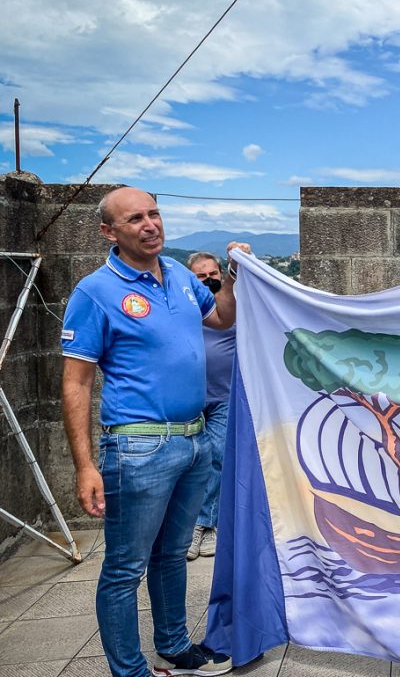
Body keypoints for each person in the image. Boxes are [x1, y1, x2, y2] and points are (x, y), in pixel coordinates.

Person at [61, 186, 249, 677]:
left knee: (171, 556)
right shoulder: (95, 291)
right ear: (110, 232)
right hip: (137, 445)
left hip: (194, 437)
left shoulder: (184, 277)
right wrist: (85, 467)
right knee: (124, 568)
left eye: (154, 214)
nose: (150, 224)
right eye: (135, 219)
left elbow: (222, 317)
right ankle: (129, 670)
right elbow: (76, 384)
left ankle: (173, 644)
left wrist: (231, 276)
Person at [185, 252, 238, 561]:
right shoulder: (183, 308)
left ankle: (205, 525)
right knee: (189, 461)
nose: (209, 280)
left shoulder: (235, 305)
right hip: (188, 397)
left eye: (213, 273)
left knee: (216, 457)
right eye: (200, 277)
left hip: (224, 397)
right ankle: (192, 525)